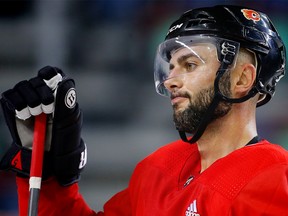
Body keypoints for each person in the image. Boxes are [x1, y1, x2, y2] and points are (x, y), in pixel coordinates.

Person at [0, 5, 288, 216]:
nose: (170, 80)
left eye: (190, 65)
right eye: (171, 67)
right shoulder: (158, 168)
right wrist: (47, 171)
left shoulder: (275, 179)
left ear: (242, 79)